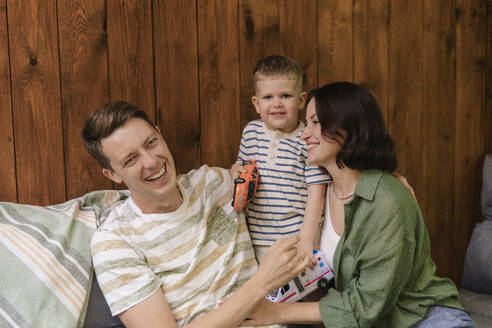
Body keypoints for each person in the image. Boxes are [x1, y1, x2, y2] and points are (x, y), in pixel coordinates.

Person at [242, 82, 476, 328]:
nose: (304, 134)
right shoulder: (319, 196)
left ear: (348, 126)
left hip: (423, 319)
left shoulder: (387, 200)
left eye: (316, 122)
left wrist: (278, 313)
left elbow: (366, 304)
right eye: (306, 123)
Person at [81, 101, 309, 328]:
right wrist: (262, 283)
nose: (151, 162)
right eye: (131, 160)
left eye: (151, 143)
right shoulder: (114, 241)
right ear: (112, 175)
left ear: (160, 134)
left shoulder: (216, 183)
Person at [232, 55, 331, 264]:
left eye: (285, 95)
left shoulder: (308, 138)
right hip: (257, 239)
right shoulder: (251, 132)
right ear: (256, 104)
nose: (276, 104)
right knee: (266, 293)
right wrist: (235, 172)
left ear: (301, 100)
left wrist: (306, 240)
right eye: (268, 97)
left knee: (297, 293)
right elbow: (241, 167)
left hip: (295, 239)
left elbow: (316, 194)